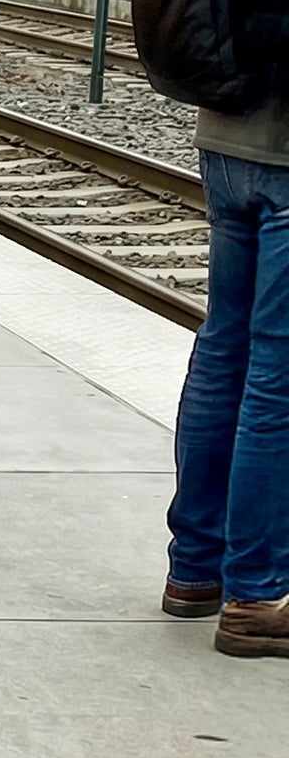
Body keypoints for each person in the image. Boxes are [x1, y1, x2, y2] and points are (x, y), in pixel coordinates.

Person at [164, 67, 289, 659]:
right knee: (277, 373)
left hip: (224, 134)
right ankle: (259, 596)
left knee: (223, 348)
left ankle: (195, 568)